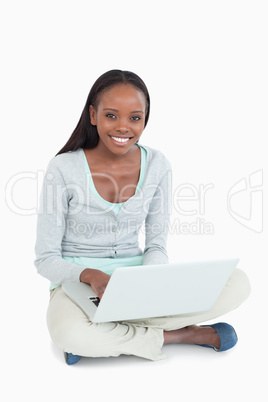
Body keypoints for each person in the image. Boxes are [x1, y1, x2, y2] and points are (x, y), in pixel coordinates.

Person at [34, 69, 250, 365]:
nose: (123, 127)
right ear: (93, 115)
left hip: (137, 281)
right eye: (111, 116)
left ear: (145, 119)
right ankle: (180, 336)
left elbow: (157, 245)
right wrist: (90, 275)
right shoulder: (62, 168)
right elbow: (45, 259)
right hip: (77, 285)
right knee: (71, 333)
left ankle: (111, 333)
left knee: (237, 283)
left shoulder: (158, 164)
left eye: (135, 118)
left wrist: (149, 283)